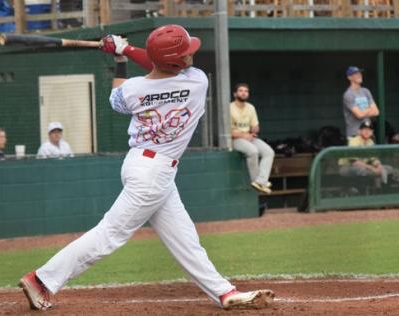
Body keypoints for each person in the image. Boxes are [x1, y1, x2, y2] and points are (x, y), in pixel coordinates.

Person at [18, 25, 274, 311]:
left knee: (184, 237)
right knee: (109, 234)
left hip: (141, 165)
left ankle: (223, 292)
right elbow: (160, 64)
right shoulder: (197, 82)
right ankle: (42, 280)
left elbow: (121, 93)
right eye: (186, 52)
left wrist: (119, 58)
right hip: (154, 174)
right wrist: (125, 48)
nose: (191, 55)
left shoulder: (132, 89)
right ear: (176, 61)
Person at [230, 83, 275, 194]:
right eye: (241, 90)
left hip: (250, 137)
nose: (244, 93)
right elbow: (229, 132)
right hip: (235, 139)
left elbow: (255, 127)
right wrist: (244, 135)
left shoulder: (250, 107)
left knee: (269, 152)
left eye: (246, 91)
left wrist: (254, 130)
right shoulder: (229, 107)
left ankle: (261, 181)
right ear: (235, 94)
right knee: (253, 151)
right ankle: (257, 181)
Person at [338, 121, 387, 187]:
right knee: (362, 170)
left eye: (369, 130)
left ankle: (378, 191)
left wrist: (379, 165)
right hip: (347, 167)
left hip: (364, 167)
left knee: (386, 168)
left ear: (372, 132)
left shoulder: (370, 142)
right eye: (364, 129)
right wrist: (373, 169)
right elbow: (354, 162)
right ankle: (360, 192)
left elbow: (373, 159)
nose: (367, 132)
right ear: (359, 131)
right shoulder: (354, 141)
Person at [343, 66, 379, 138]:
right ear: (349, 77)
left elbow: (376, 112)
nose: (359, 75)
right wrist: (369, 110)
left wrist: (363, 112)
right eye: (355, 74)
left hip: (368, 133)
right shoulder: (348, 94)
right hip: (355, 134)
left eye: (360, 73)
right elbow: (359, 115)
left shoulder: (366, 91)